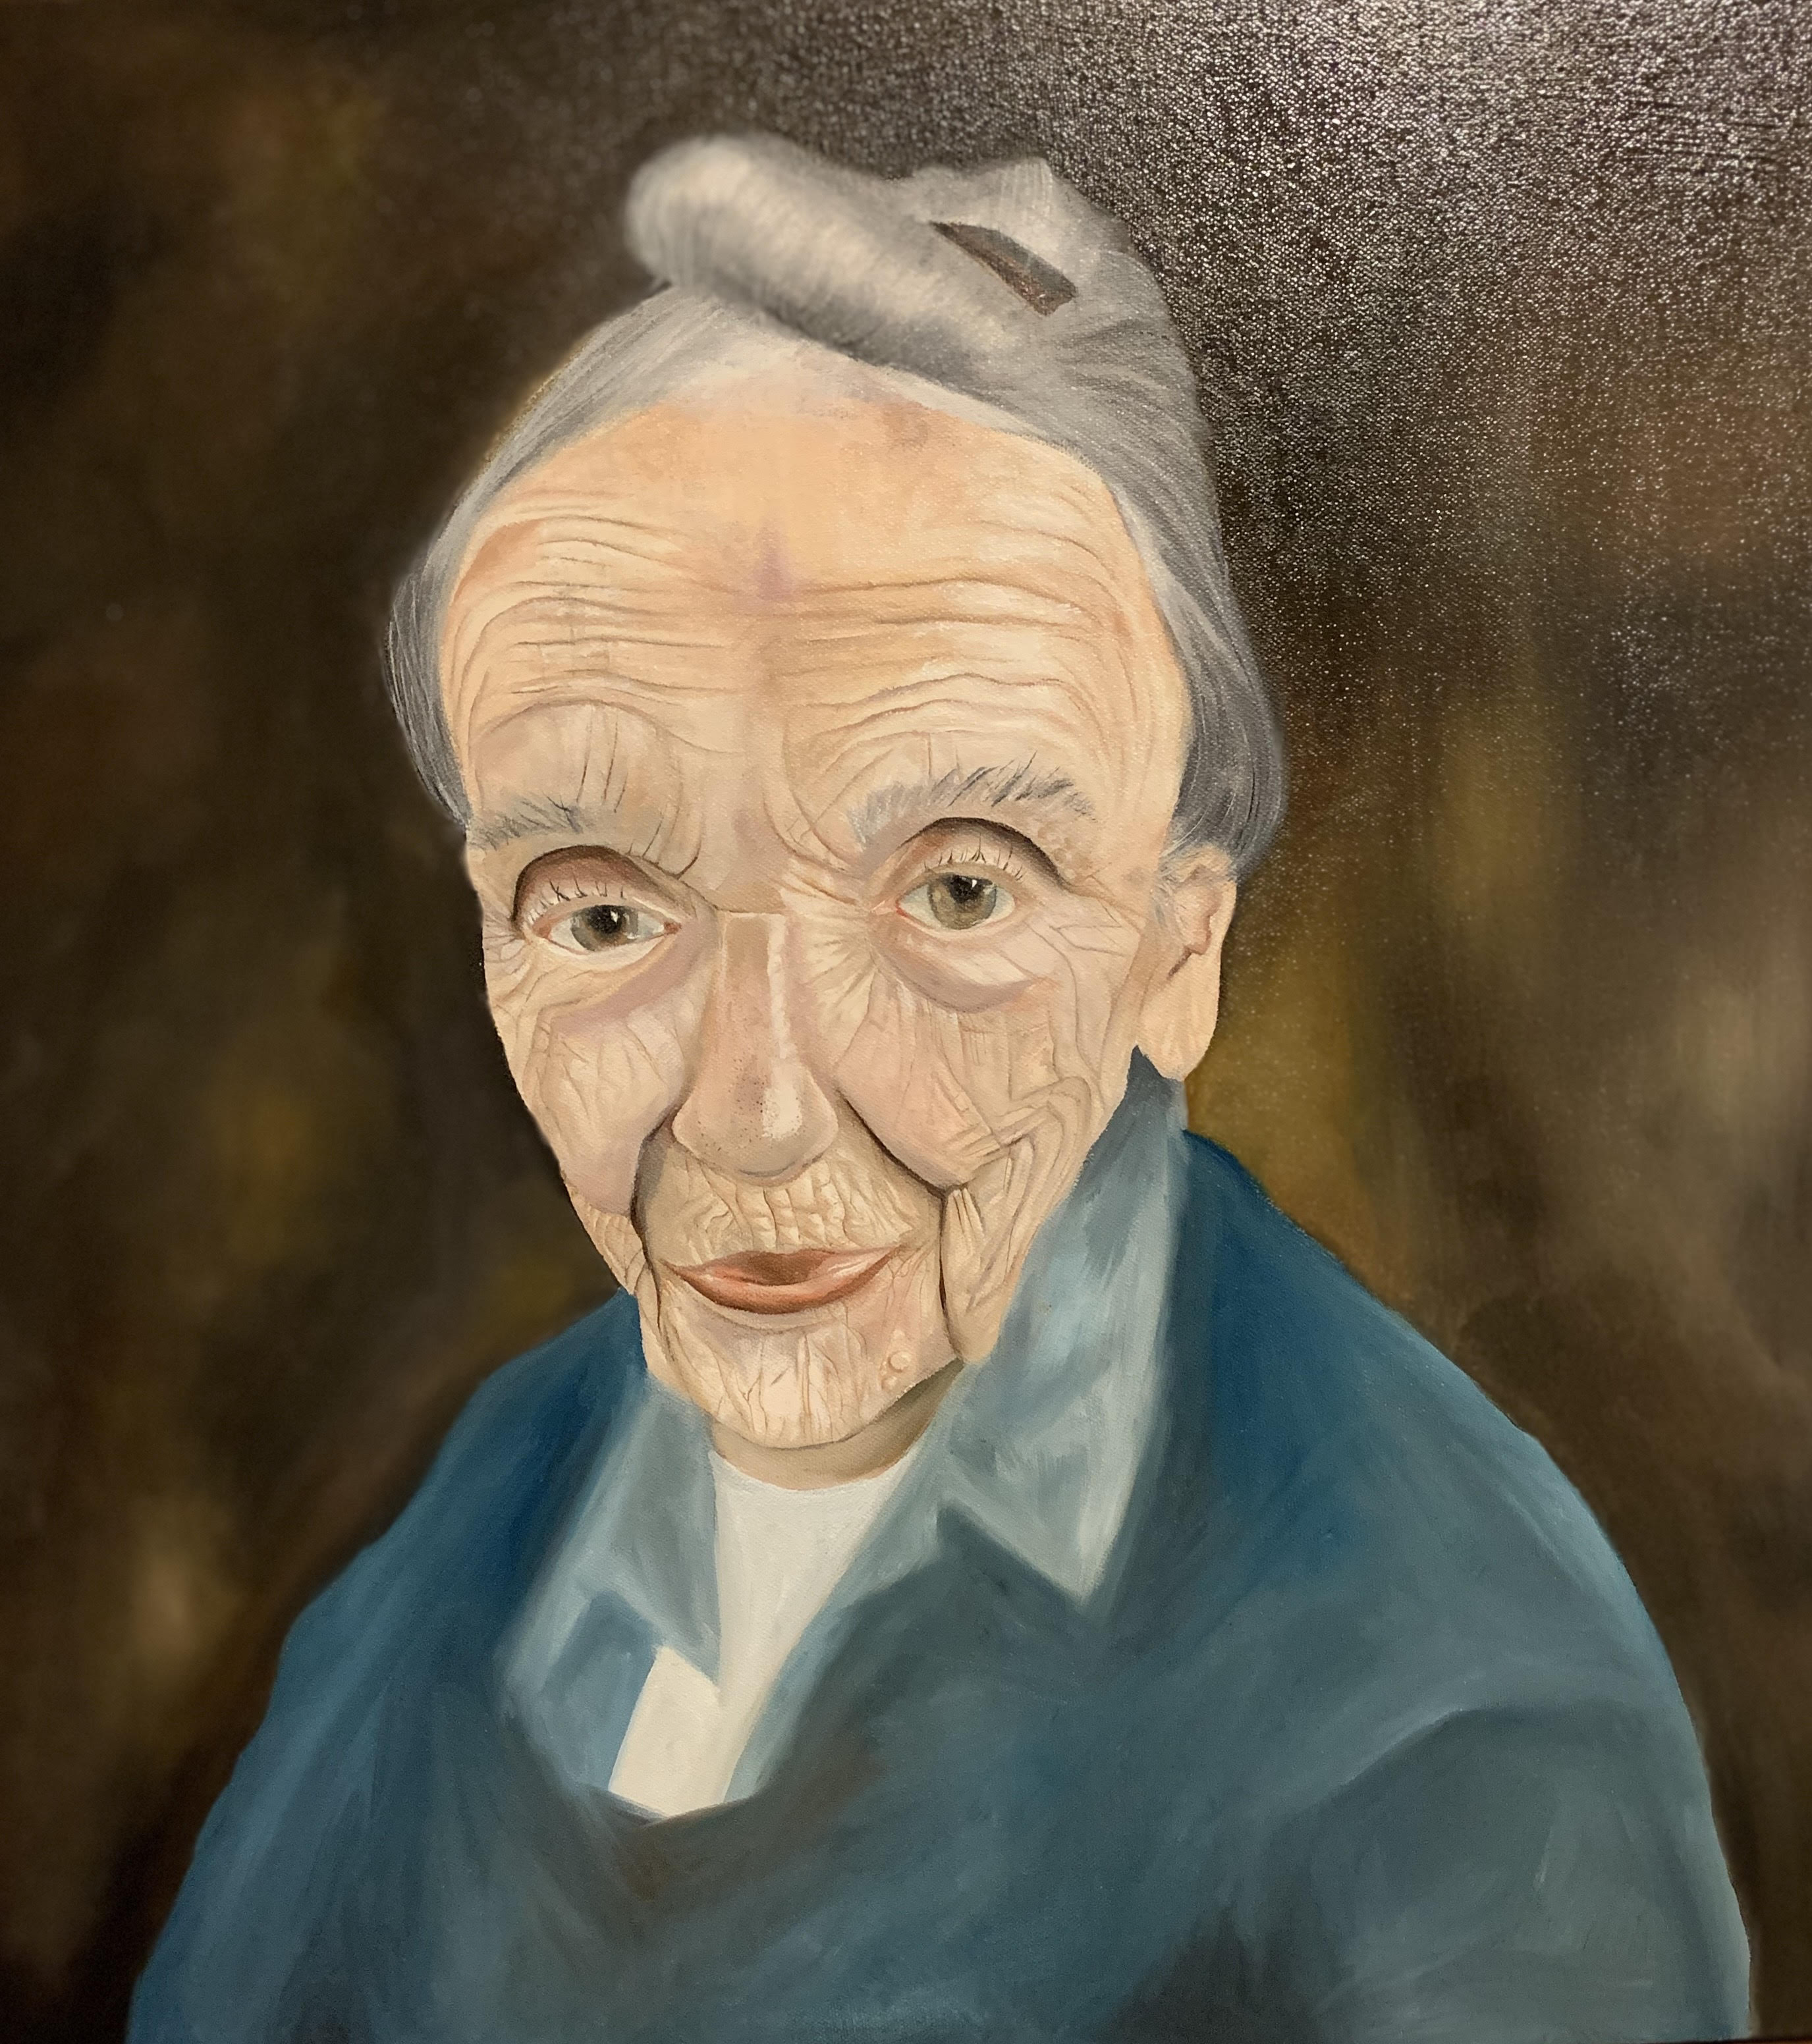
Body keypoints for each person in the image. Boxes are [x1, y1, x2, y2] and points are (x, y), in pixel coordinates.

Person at [130, 135, 1749, 2042]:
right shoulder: (497, 1511)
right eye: (604, 912)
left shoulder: (1453, 1723)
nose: (752, 1112)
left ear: (1178, 954)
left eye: (958, 891)